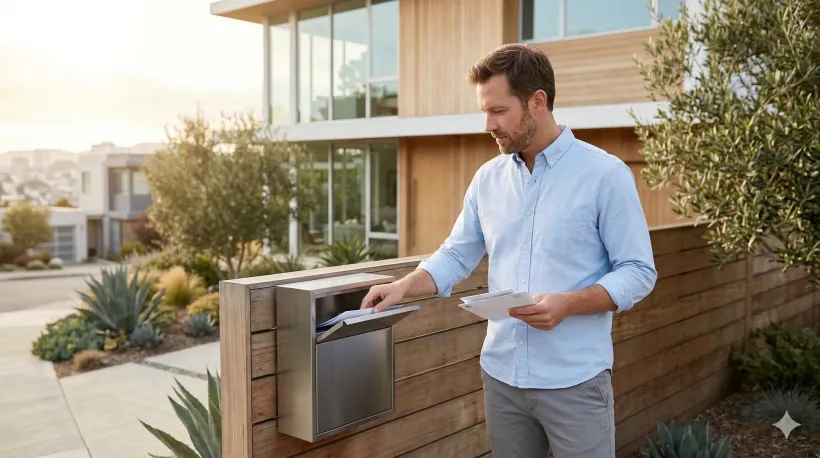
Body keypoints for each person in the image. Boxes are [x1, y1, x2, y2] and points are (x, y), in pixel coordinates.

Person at [360, 43, 657, 458]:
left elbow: (638, 271)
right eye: (485, 111)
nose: (488, 125)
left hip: (574, 381)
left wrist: (567, 304)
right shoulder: (488, 179)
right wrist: (403, 287)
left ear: (537, 102)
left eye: (498, 111)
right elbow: (455, 254)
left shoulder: (605, 175)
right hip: (501, 378)